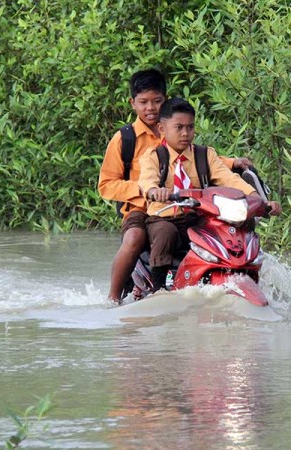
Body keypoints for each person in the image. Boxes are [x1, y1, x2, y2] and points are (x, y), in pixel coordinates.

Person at [98, 69, 253, 304]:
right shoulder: (125, 139)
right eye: (143, 102)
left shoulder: (174, 126)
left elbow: (200, 158)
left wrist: (233, 163)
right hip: (141, 209)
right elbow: (106, 185)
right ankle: (112, 298)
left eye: (157, 101)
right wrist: (144, 190)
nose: (150, 108)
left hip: (185, 205)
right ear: (133, 103)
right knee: (134, 240)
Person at [138, 97, 282, 292]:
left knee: (234, 229)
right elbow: (147, 180)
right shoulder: (154, 157)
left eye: (190, 127)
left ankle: (251, 273)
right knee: (165, 233)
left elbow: (229, 179)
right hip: (165, 216)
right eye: (179, 127)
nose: (185, 133)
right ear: (162, 129)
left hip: (199, 217)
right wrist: (155, 191)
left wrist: (256, 197)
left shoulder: (206, 155)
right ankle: (159, 288)